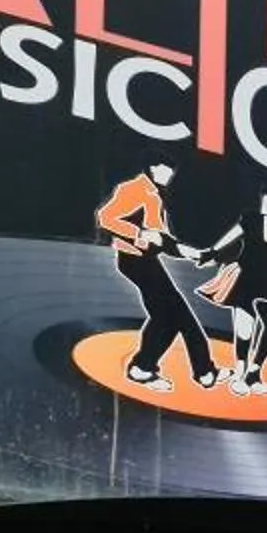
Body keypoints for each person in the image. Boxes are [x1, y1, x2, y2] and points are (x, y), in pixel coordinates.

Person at [93, 162, 216, 391]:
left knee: (167, 318)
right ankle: (202, 371)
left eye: (172, 170)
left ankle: (146, 367)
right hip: (134, 259)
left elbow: (161, 239)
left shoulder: (155, 195)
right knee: (178, 316)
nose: (170, 174)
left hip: (147, 261)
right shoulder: (134, 189)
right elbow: (105, 217)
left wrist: (185, 251)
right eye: (166, 168)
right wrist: (139, 233)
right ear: (153, 167)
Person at [195, 195, 267, 396]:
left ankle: (254, 373)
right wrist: (210, 253)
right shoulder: (250, 218)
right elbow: (231, 236)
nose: (265, 204)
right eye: (264, 200)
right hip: (243, 275)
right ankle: (239, 372)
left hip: (264, 280)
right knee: (245, 327)